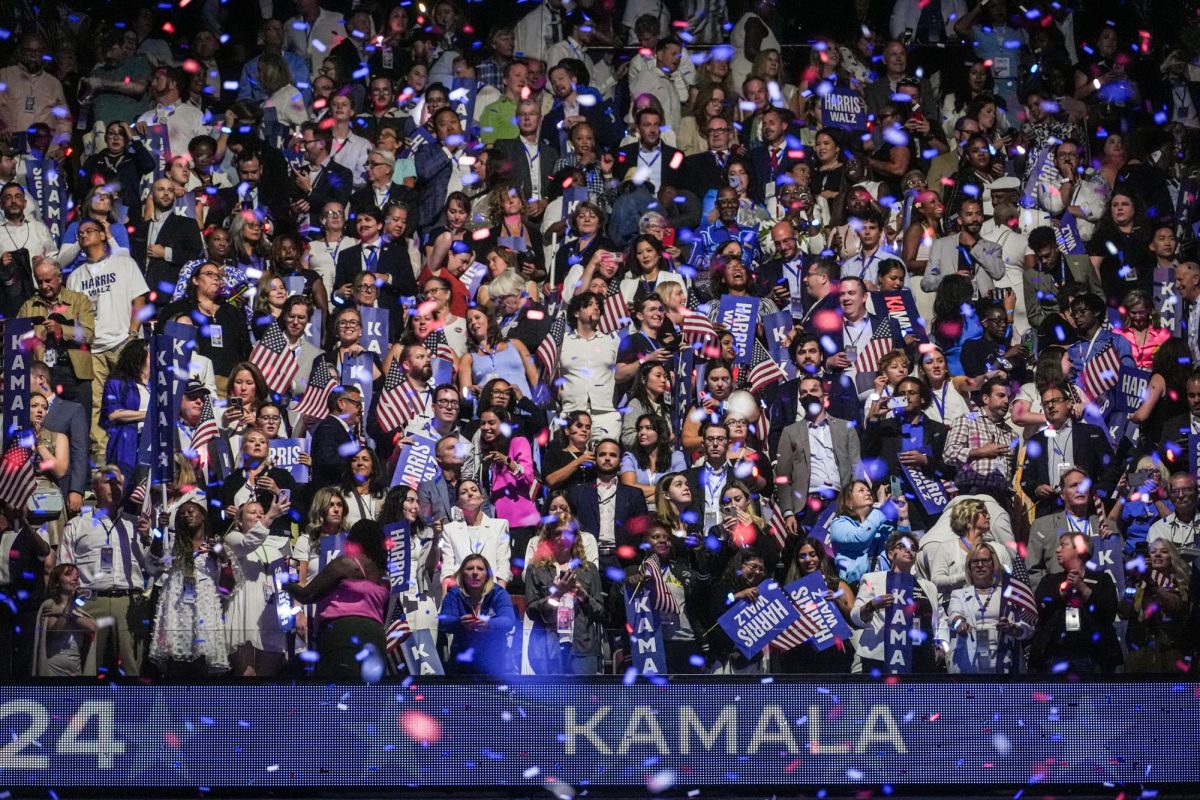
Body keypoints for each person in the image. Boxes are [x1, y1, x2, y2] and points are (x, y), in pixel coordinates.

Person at [64, 217, 149, 463]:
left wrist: (133, 334)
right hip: (92, 348)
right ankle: (102, 458)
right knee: (96, 406)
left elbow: (139, 300)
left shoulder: (124, 263)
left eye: (89, 231)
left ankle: (137, 452)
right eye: (79, 233)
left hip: (124, 342)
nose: (83, 235)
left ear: (103, 235)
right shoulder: (75, 276)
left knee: (132, 396)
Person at [284, 519, 390, 679]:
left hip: (342, 636)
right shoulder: (384, 577)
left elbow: (307, 595)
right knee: (368, 698)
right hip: (376, 638)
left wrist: (285, 581)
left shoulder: (347, 564)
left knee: (338, 695)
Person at [146, 500, 240, 677]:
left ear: (203, 515)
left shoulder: (216, 545)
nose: (186, 515)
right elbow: (153, 563)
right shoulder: (174, 545)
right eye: (181, 514)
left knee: (201, 668)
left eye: (190, 511)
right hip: (177, 612)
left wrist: (223, 559)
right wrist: (159, 531)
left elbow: (227, 589)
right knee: (176, 668)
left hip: (204, 613)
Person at [850, 530, 945, 674]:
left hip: (919, 656)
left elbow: (940, 618)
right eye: (902, 546)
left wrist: (942, 644)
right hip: (881, 656)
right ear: (890, 553)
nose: (909, 550)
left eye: (913, 548)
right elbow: (855, 617)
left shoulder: (928, 586)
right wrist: (871, 606)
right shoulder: (872, 579)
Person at [1029, 531, 1122, 675]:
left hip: (1093, 656)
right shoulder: (1050, 581)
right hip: (1055, 655)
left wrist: (1082, 587)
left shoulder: (1102, 580)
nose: (1057, 549)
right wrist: (1061, 593)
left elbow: (1108, 612)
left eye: (1063, 545)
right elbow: (1039, 608)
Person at [223, 500, 295, 677]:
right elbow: (248, 543)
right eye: (252, 512)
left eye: (262, 512)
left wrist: (289, 567)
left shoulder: (275, 549)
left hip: (269, 613)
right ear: (239, 521)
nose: (259, 515)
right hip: (245, 609)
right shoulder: (232, 538)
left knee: (266, 681)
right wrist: (270, 516)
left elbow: (284, 584)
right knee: (247, 675)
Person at [525, 523, 605, 675]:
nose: (562, 538)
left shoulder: (588, 569)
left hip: (582, 645)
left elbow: (600, 613)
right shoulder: (535, 569)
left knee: (582, 697)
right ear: (548, 538)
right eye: (557, 534)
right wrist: (556, 595)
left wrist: (583, 596)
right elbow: (532, 611)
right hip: (547, 647)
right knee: (550, 698)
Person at [946, 545, 1035, 674]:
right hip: (968, 665)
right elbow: (954, 615)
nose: (980, 565)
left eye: (985, 560)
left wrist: (1012, 628)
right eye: (975, 561)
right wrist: (960, 623)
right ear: (969, 566)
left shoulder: (1009, 594)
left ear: (994, 564)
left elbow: (1028, 630)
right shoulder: (958, 594)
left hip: (1005, 663)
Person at [775, 538, 855, 673]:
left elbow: (854, 619)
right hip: (801, 659)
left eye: (813, 554)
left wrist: (837, 601)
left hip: (834, 658)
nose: (808, 559)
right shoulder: (789, 590)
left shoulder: (838, 586)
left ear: (820, 557)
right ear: (797, 561)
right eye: (802, 556)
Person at [943, 377, 1017, 505]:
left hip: (1002, 498)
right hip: (972, 494)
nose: (1006, 401)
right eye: (1001, 395)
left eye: (1009, 397)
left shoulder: (1012, 434)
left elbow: (1011, 470)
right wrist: (980, 452)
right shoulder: (967, 420)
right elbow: (948, 454)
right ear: (985, 398)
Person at [1121, 539, 1191, 674]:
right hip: (1140, 652)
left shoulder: (1180, 584)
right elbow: (1123, 611)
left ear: (1172, 558)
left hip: (1170, 652)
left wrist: (1152, 584)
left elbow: (1175, 606)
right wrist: (1133, 581)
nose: (1157, 555)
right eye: (1153, 552)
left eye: (1164, 552)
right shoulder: (1138, 583)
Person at [439, 553, 516, 675]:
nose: (475, 572)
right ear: (462, 574)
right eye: (469, 568)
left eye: (480, 569)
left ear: (488, 575)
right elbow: (444, 621)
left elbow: (509, 621)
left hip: (495, 661)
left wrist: (489, 624)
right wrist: (460, 623)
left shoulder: (499, 593)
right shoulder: (454, 594)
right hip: (462, 661)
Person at [829, 480, 911, 588]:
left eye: (868, 491)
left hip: (890, 586)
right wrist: (880, 505)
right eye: (861, 491)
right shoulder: (839, 524)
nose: (868, 493)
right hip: (861, 589)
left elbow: (904, 549)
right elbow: (860, 538)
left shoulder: (883, 524)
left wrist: (903, 516)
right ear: (848, 501)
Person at [439, 479, 512, 589]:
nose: (470, 493)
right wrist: (446, 600)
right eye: (464, 492)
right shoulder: (450, 529)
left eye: (474, 490)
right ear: (458, 502)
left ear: (482, 498)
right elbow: (448, 568)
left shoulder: (499, 526)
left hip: (491, 591)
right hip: (461, 592)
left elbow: (503, 565)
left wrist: (499, 595)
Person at [33, 564, 97, 677]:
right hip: (53, 669)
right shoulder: (51, 605)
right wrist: (66, 610)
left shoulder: (77, 610)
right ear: (57, 582)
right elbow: (55, 632)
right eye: (68, 574)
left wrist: (66, 611)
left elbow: (93, 627)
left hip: (75, 669)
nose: (75, 578)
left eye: (77, 576)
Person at [99, 339, 149, 477]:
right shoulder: (118, 383)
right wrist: (150, 415)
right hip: (128, 442)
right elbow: (113, 414)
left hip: (152, 443)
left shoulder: (158, 385)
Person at [341, 448, 388, 527]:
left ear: (373, 467)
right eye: (354, 460)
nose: (359, 463)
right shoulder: (339, 494)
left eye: (365, 459)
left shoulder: (385, 495)